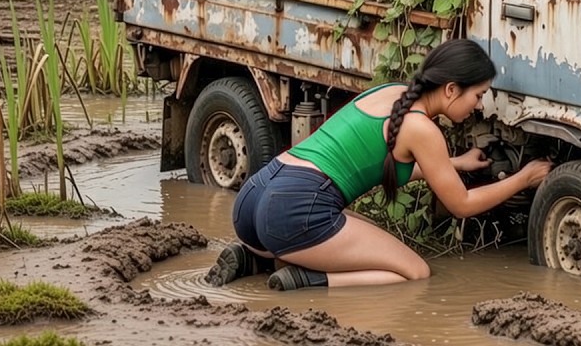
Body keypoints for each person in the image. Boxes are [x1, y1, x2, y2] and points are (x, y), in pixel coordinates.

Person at [205, 38, 553, 290]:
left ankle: (255, 259)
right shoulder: (423, 129)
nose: (478, 106)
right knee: (415, 273)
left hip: (255, 199)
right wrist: (524, 177)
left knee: (337, 233)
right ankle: (306, 278)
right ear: (450, 90)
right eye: (477, 95)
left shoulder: (391, 94)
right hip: (294, 209)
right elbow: (461, 205)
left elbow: (371, 162)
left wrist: (456, 164)